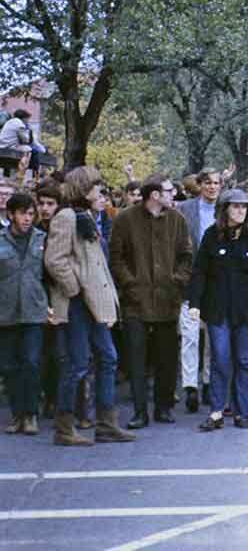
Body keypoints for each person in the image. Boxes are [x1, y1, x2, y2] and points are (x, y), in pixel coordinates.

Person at [44, 168, 135, 445]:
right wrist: (74, 289)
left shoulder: (86, 217)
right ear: (84, 190)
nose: (102, 195)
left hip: (93, 302)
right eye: (97, 189)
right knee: (77, 364)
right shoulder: (67, 217)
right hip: (77, 303)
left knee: (108, 358)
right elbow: (54, 260)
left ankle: (106, 423)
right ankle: (64, 427)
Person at [110, 174, 193, 429]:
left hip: (168, 300)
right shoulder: (125, 219)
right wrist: (130, 284)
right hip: (136, 302)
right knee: (137, 359)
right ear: (155, 195)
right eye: (168, 191)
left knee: (167, 357)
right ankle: (139, 411)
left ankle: (163, 407)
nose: (173, 195)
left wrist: (177, 281)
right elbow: (117, 258)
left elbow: (186, 255)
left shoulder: (177, 219)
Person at [186, 189, 248, 431]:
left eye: (244, 207)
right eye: (235, 206)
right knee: (221, 360)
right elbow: (199, 272)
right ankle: (216, 411)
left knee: (245, 361)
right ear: (224, 210)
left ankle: (242, 411)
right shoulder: (211, 235)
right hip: (218, 310)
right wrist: (194, 303)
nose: (240, 211)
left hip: (247, 310)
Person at [1, 192, 49, 436]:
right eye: (22, 213)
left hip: (34, 311)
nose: (27, 218)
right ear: (11, 215)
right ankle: (17, 413)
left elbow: (49, 275)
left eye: (31, 214)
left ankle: (30, 414)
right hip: (5, 312)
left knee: (31, 362)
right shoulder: (1, 239)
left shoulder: (42, 239)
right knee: (9, 365)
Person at [177, 168, 222, 413]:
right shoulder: (184, 209)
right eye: (207, 182)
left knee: (213, 339)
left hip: (217, 281)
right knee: (190, 336)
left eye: (216, 183)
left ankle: (207, 381)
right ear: (200, 185)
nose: (212, 187)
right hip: (190, 280)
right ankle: (190, 386)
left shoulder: (225, 209)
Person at [0, 109, 47, 174]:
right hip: (9, 146)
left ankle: (7, 175)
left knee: (27, 149)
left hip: (3, 145)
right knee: (33, 151)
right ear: (24, 118)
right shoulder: (19, 124)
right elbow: (26, 140)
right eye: (27, 119)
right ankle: (34, 172)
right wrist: (43, 150)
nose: (28, 121)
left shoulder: (9, 122)